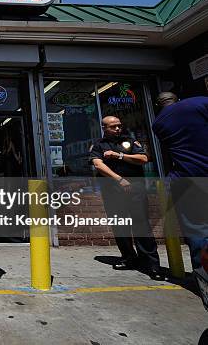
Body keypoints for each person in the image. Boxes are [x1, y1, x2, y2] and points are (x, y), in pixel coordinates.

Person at [89, 116, 164, 280]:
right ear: (104, 128)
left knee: (141, 225)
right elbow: (98, 165)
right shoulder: (98, 145)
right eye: (113, 126)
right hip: (112, 192)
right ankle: (128, 258)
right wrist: (120, 180)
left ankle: (152, 265)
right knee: (120, 227)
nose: (117, 129)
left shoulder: (130, 142)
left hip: (136, 190)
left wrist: (119, 156)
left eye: (119, 126)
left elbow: (143, 159)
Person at [152, 92, 208, 270]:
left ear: (157, 105)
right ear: (178, 99)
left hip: (186, 179)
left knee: (197, 231)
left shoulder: (158, 123)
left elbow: (169, 154)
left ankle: (203, 278)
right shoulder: (199, 102)